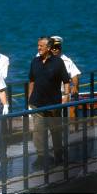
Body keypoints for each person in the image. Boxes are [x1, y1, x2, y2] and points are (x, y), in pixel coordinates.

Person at [28, 37, 70, 166]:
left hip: (53, 103)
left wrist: (66, 96)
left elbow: (66, 81)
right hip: (37, 103)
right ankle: (41, 156)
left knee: (55, 130)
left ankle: (58, 155)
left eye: (41, 46)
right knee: (38, 132)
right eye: (38, 45)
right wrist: (29, 99)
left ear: (49, 48)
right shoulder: (35, 61)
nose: (38, 48)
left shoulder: (58, 62)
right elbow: (32, 81)